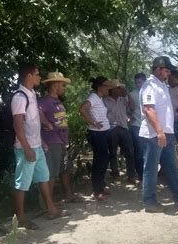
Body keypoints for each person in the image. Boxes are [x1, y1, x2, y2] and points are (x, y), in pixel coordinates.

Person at [12, 64, 69, 230]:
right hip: (26, 147)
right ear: (29, 76)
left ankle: (51, 209)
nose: (39, 77)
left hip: (37, 144)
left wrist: (41, 141)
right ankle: (20, 217)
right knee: (22, 182)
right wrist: (27, 148)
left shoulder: (32, 95)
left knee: (44, 177)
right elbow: (18, 125)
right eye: (37, 74)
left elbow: (34, 120)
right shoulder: (20, 97)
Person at [139, 56, 178, 213]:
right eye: (166, 70)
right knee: (151, 169)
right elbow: (148, 110)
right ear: (158, 69)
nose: (168, 73)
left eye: (169, 71)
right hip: (153, 135)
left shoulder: (162, 85)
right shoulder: (149, 86)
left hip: (165, 133)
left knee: (172, 167)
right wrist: (160, 132)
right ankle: (150, 202)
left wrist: (165, 133)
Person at [39, 71, 82, 204]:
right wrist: (46, 123)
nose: (64, 88)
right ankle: (49, 204)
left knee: (65, 168)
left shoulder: (56, 101)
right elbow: (37, 112)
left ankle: (68, 195)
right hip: (51, 141)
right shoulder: (44, 101)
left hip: (61, 141)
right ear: (55, 84)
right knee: (51, 172)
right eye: (62, 85)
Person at [79, 76, 114, 201]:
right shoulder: (93, 97)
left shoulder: (100, 98)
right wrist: (93, 122)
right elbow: (83, 109)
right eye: (107, 86)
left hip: (103, 133)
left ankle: (101, 185)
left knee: (104, 160)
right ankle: (97, 190)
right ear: (100, 87)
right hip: (96, 134)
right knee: (100, 161)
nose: (109, 88)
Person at [105, 79, 138, 184]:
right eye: (118, 87)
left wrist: (127, 92)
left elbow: (133, 107)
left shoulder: (123, 99)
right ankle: (115, 175)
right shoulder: (105, 100)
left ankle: (131, 176)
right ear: (112, 89)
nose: (120, 89)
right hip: (111, 128)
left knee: (129, 152)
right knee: (113, 153)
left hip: (124, 128)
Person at [128, 73, 146, 180]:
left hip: (148, 126)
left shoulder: (151, 93)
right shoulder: (132, 94)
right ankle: (141, 174)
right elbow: (128, 109)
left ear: (145, 81)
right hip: (136, 126)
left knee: (147, 151)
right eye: (136, 82)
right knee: (138, 151)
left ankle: (147, 172)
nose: (138, 84)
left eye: (139, 82)